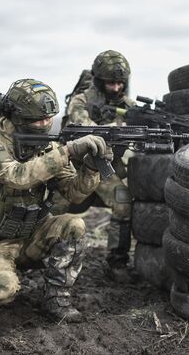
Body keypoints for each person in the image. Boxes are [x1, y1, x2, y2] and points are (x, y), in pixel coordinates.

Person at [0, 79, 111, 322]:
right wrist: (68, 151)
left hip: (34, 235)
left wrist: (91, 169)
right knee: (2, 292)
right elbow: (18, 177)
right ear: (18, 117)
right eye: (38, 119)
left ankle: (56, 298)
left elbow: (74, 193)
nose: (45, 124)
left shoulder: (47, 147)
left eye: (49, 118)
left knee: (74, 225)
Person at [61, 50, 136, 282]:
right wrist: (118, 127)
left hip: (105, 169)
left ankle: (117, 262)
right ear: (98, 80)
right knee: (52, 209)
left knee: (124, 204)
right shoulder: (80, 101)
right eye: (110, 83)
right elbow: (86, 130)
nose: (115, 88)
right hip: (74, 168)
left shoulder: (129, 106)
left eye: (119, 83)